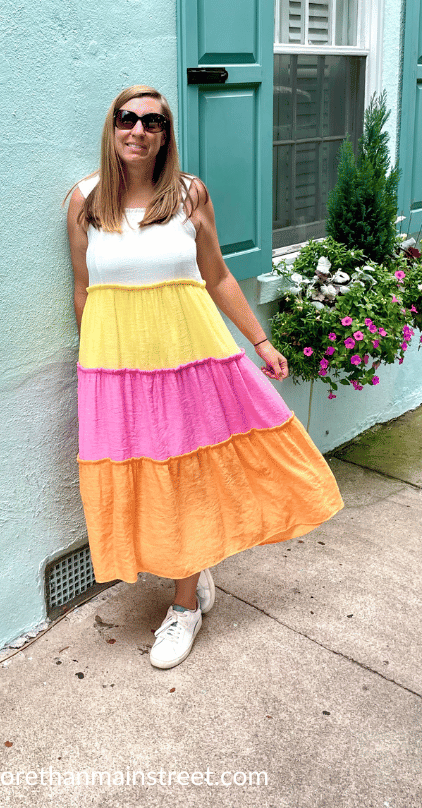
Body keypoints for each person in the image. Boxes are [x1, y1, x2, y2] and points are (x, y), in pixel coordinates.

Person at [66, 85, 344, 670]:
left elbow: (216, 277)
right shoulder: (84, 201)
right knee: (145, 474)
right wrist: (92, 368)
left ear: (165, 135)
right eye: (126, 118)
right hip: (117, 370)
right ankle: (195, 568)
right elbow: (83, 288)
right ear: (111, 126)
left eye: (152, 122)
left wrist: (260, 341)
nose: (137, 130)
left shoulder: (190, 195)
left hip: (188, 361)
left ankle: (185, 606)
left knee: (184, 473)